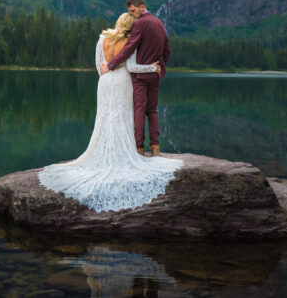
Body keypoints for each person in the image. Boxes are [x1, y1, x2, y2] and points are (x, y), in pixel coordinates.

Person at [37, 12, 182, 212]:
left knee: (105, 117)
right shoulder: (130, 41)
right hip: (123, 81)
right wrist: (152, 67)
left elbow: (99, 66)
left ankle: (103, 150)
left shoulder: (102, 39)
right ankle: (126, 150)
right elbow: (131, 66)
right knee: (122, 116)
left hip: (104, 82)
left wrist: (106, 75)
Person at [99, 0, 170, 156]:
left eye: (133, 10)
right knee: (152, 110)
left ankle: (139, 148)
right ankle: (155, 147)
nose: (132, 14)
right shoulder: (159, 23)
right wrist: (161, 68)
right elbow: (167, 49)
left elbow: (128, 49)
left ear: (142, 7)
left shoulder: (139, 24)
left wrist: (110, 65)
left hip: (140, 76)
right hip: (154, 76)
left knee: (139, 110)